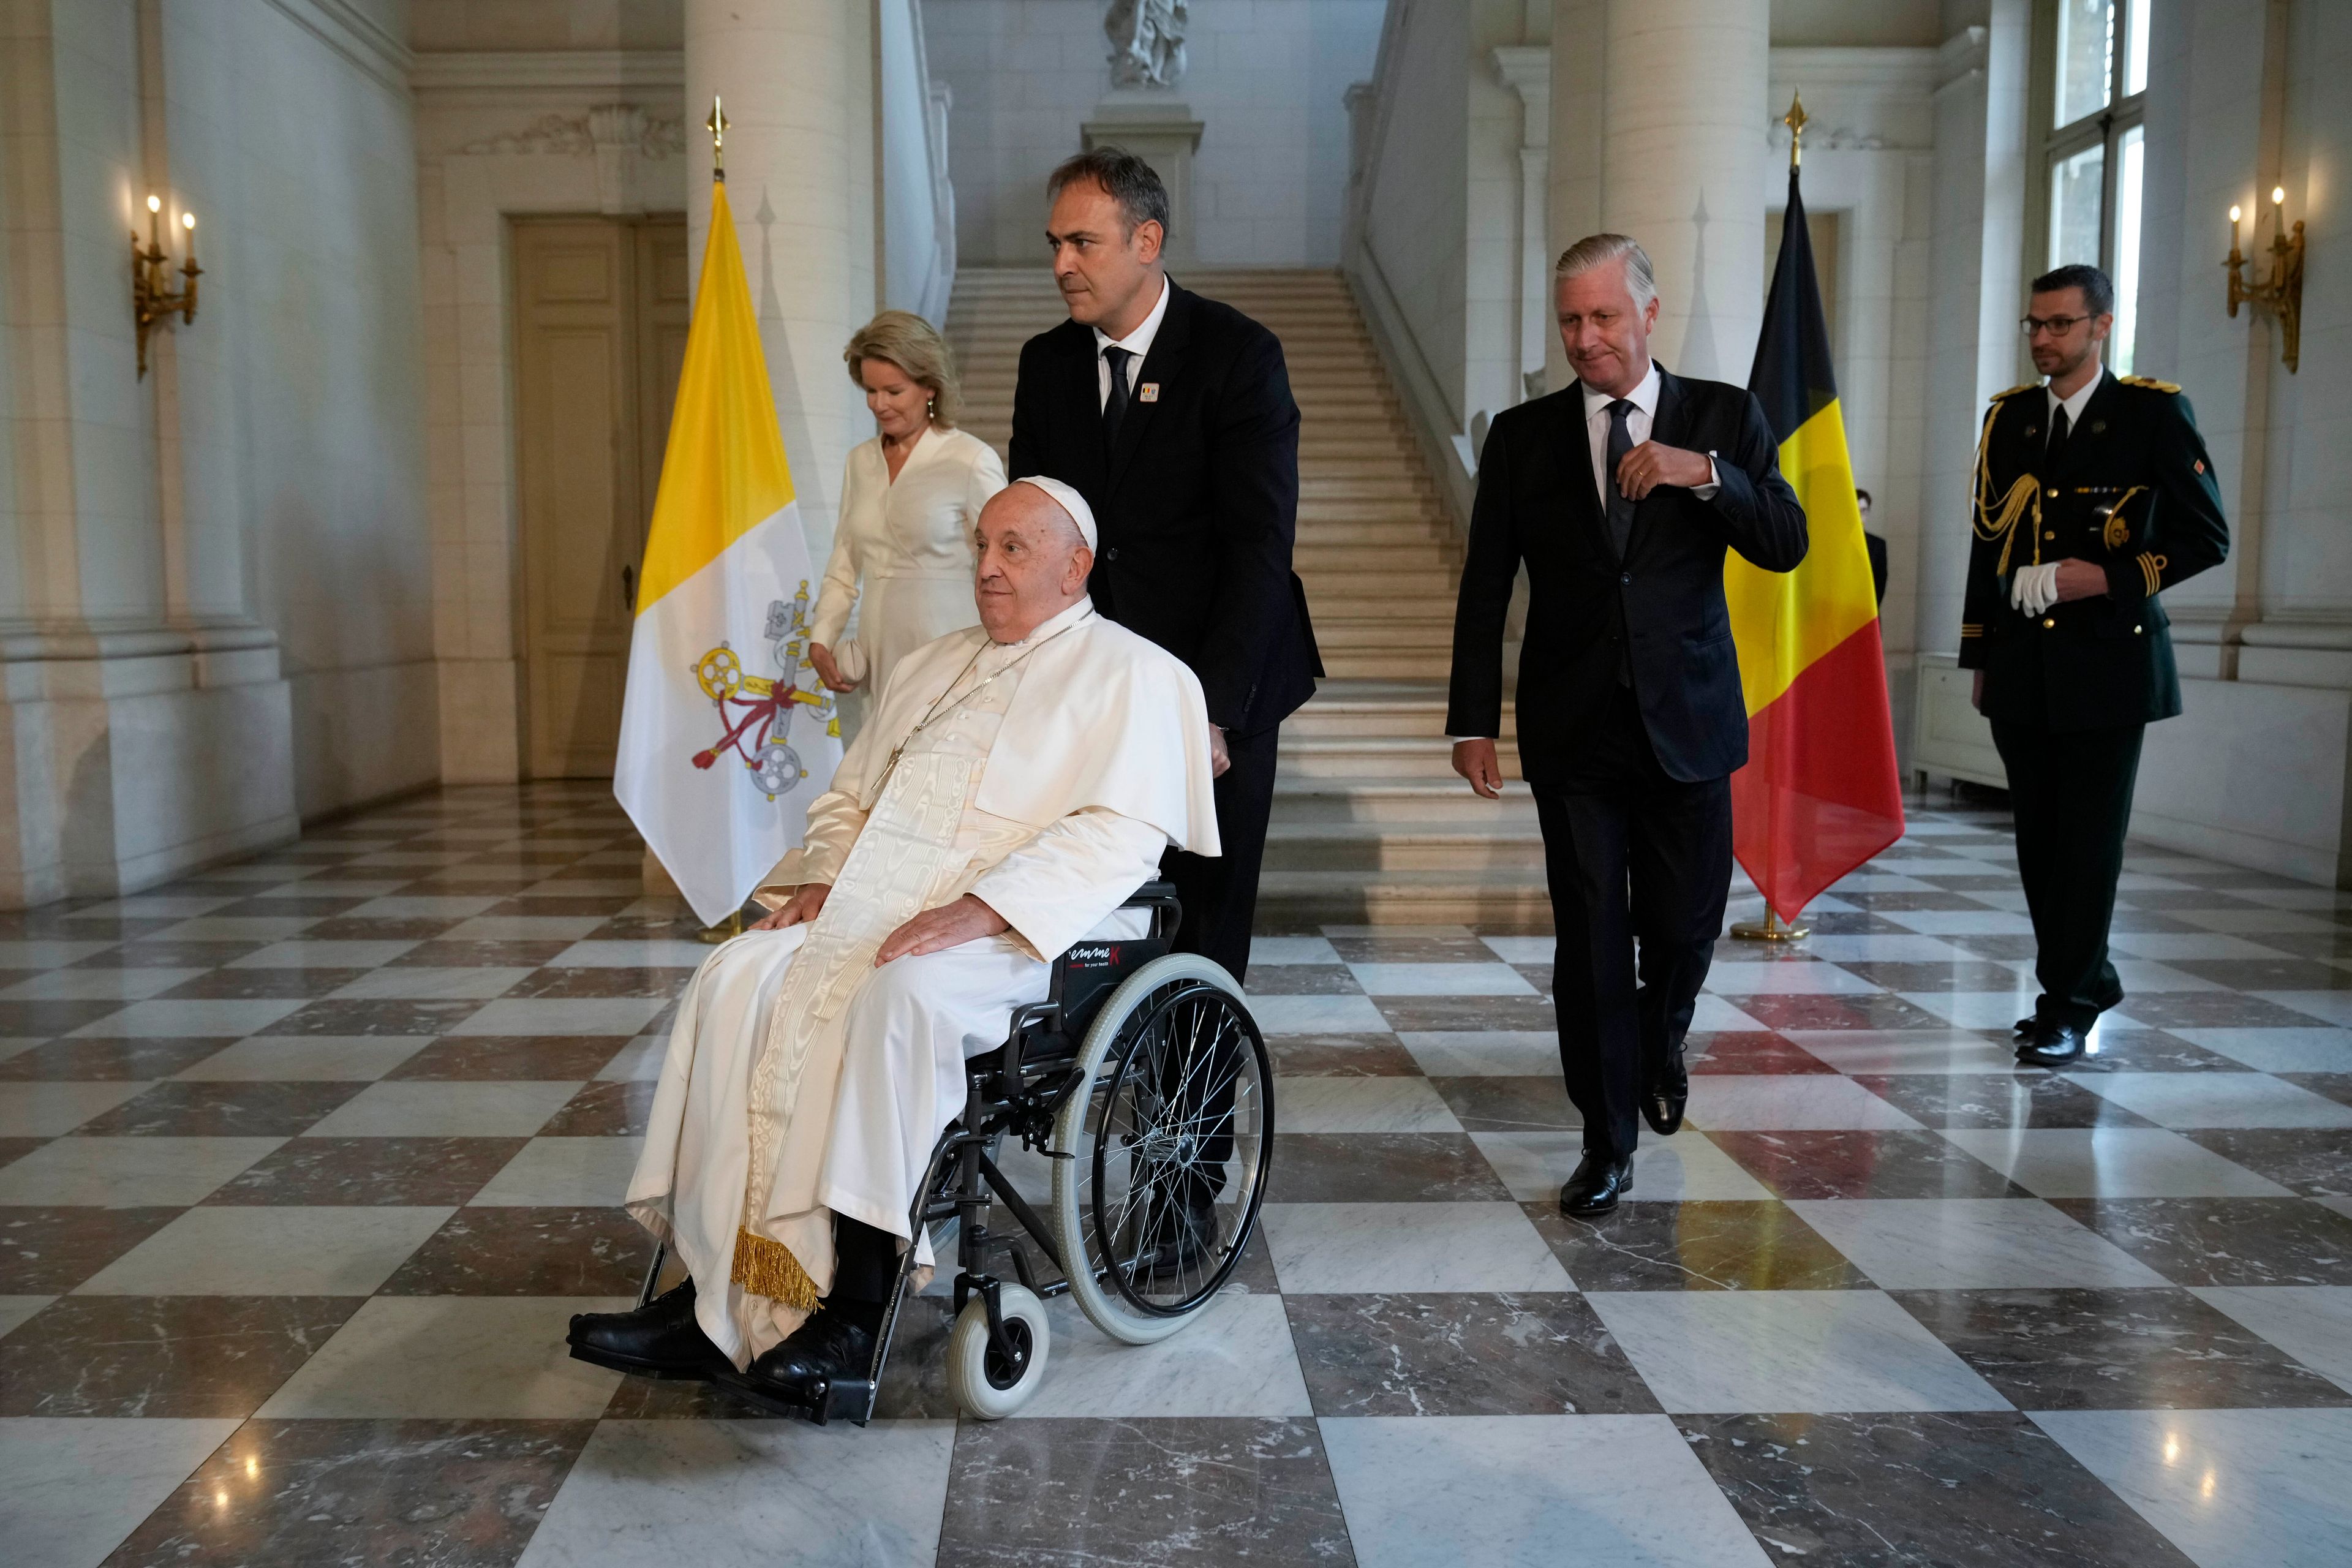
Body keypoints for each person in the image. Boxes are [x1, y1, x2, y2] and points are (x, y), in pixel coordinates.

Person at [568, 478, 1219, 1409]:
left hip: (1033, 931)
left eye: (1014, 551)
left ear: (1075, 566)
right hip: (877, 903)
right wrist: (825, 878)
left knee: (899, 999)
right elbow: (849, 800)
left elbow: (1117, 837)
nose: (987, 570)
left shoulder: (1138, 675)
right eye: (982, 548)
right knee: (738, 975)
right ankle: (716, 1296)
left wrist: (986, 906)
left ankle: (856, 1308)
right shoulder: (930, 663)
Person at [1447, 234, 1807, 1218]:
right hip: (1574, 732)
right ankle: (1605, 1140)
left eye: (1604, 317)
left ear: (1651, 313)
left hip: (1688, 721)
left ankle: (1661, 1037)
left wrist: (1705, 473)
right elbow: (1487, 586)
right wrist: (1473, 720)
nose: (1585, 337)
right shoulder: (1522, 437)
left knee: (1687, 923)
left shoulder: (1724, 417)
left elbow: (1786, 541)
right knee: (1594, 938)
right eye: (1570, 319)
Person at [1008, 145, 1320, 984]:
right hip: (1098, 684)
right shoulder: (1047, 364)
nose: (1062, 264)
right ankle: (1112, 1097)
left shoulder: (1237, 355)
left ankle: (1201, 1115)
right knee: (1099, 912)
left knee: (1204, 924)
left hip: (1218, 679)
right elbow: (1039, 534)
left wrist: (1209, 711)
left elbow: (1260, 546)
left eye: (1083, 243)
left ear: (1147, 241)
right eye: (1055, 245)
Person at [1959, 262, 2229, 1066]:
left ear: (2101, 327)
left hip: (2109, 666)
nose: (2043, 340)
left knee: (2087, 844)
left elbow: (2204, 536)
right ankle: (2080, 981)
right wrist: (1979, 652)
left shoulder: (2151, 414)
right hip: (2021, 666)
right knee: (2040, 843)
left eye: (2061, 326)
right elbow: (1987, 544)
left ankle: (2069, 1003)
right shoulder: (2010, 419)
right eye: (2034, 326)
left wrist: (2106, 578)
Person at [808, 310, 1006, 702]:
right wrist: (821, 637)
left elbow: (1006, 560)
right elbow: (845, 562)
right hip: (877, 648)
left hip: (952, 645)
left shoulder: (970, 458)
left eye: (893, 391)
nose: (879, 405)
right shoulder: (860, 461)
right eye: (870, 391)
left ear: (930, 387)